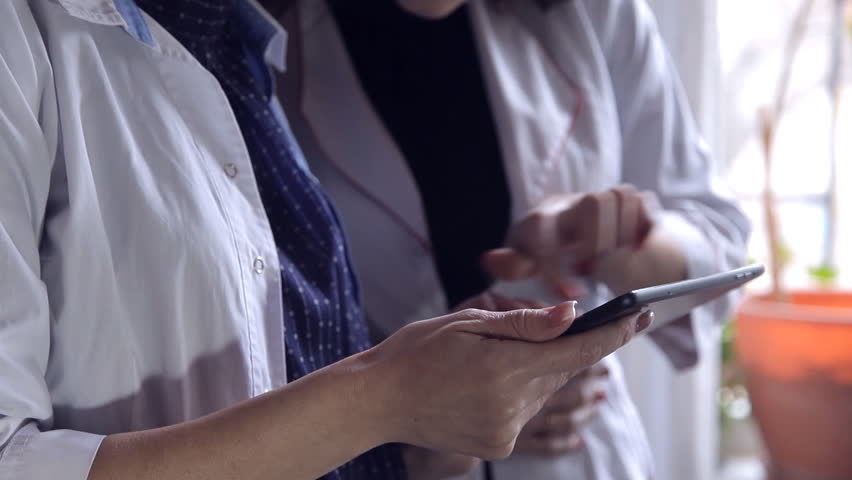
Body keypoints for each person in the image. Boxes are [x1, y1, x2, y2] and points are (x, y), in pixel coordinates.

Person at [0, 1, 653, 479]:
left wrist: (426, 421)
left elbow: (285, 402)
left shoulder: (233, 42)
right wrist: (387, 395)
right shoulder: (24, 39)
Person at [272, 0, 751, 478]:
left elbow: (721, 243)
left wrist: (624, 246)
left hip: (580, 455)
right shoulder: (260, 44)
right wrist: (431, 419)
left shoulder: (596, 12)